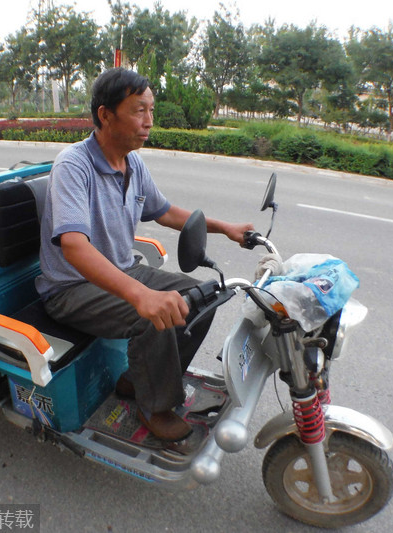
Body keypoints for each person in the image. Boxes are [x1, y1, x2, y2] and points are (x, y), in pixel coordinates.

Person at [35, 68, 253, 441]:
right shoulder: (73, 165)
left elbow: (165, 212)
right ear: (105, 115)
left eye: (151, 110)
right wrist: (141, 296)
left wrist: (226, 227)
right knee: (152, 315)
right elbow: (73, 246)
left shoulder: (132, 163)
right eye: (139, 110)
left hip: (122, 270)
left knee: (203, 298)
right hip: (71, 288)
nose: (149, 121)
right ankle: (155, 406)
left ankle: (138, 380)